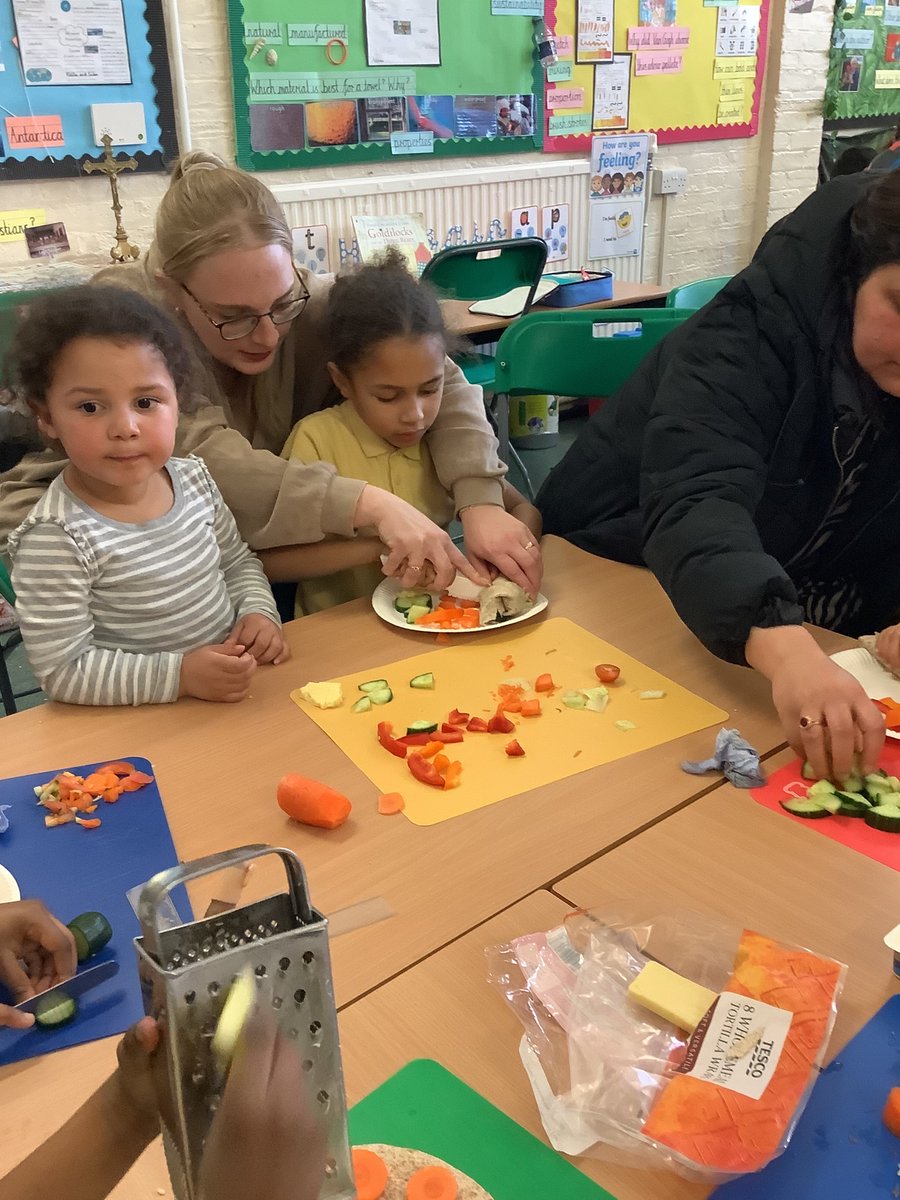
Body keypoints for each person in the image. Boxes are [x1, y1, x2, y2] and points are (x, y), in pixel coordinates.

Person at [0, 151, 542, 598]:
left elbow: (441, 380)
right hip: (135, 540)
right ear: (171, 289)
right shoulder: (125, 324)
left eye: (282, 303)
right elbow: (205, 465)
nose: (267, 335)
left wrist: (479, 502)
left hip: (266, 557)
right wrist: (374, 506)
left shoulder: (316, 300)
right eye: (232, 317)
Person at [537, 170, 900, 782]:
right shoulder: (748, 328)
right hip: (629, 580)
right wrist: (786, 652)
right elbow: (696, 500)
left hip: (792, 619)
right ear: (855, 273)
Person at [6, 285, 286, 706]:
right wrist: (181, 677)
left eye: (145, 401)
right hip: (134, 728)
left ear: (178, 405)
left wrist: (259, 613)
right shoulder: (55, 536)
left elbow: (236, 563)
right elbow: (62, 670)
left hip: (225, 702)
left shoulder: (193, 479)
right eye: (89, 408)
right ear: (47, 416)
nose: (125, 427)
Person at [259, 250, 542, 614]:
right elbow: (270, 561)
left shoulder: (443, 442)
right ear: (342, 381)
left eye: (430, 389)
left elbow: (523, 508)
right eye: (388, 396)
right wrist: (381, 547)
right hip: (341, 630)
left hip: (434, 624)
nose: (416, 415)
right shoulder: (317, 440)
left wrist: (511, 552)